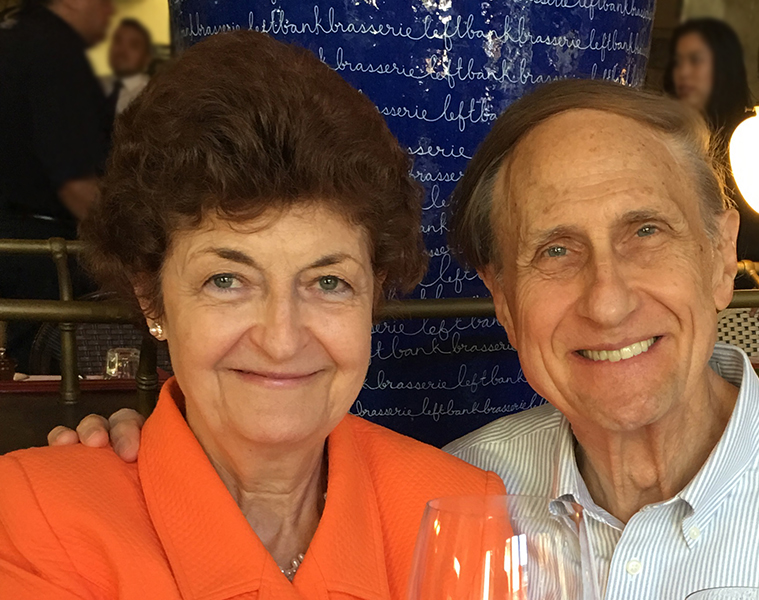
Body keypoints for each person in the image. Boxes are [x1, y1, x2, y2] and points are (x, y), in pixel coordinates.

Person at [56, 79, 759, 599]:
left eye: (646, 231)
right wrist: (148, 465)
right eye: (555, 250)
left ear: (722, 256)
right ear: (501, 298)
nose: (607, 301)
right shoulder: (455, 498)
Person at [0, 31, 505, 598]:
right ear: (151, 298)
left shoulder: (459, 508)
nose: (282, 339)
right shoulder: (35, 517)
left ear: (373, 296)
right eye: (227, 280)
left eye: (328, 282)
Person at [0, 0, 114, 368]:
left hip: (12, 241)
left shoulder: (12, 34)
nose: (111, 13)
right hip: (44, 252)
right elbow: (76, 183)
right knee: (45, 373)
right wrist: (128, 250)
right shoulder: (56, 50)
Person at [664, 18, 759, 286]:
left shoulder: (758, 131)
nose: (684, 72)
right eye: (679, 61)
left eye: (696, 60)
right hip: (689, 277)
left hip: (753, 280)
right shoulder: (669, 132)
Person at [102, 18, 152, 115]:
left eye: (134, 45)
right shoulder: (96, 84)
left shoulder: (149, 96)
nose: (122, 50)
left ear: (147, 59)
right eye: (117, 41)